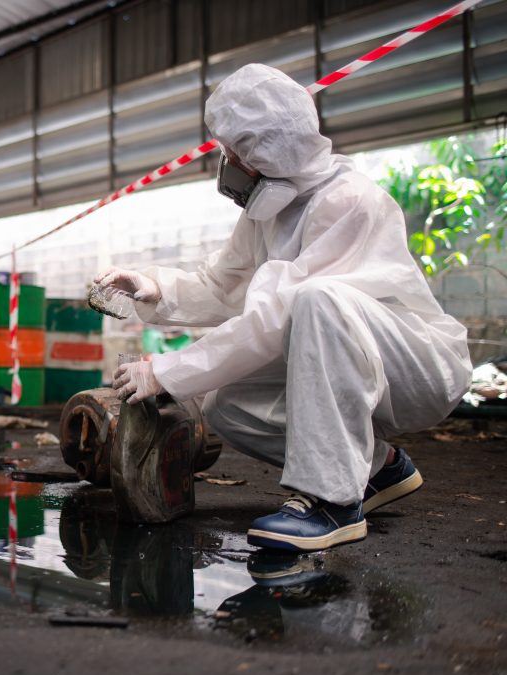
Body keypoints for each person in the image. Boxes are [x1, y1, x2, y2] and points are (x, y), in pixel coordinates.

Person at [98, 64, 471, 552]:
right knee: (229, 405)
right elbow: (227, 283)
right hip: (342, 347)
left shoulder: (348, 201)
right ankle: (381, 468)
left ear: (271, 149)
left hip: (415, 365)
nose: (227, 162)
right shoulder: (269, 208)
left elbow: (275, 316)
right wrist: (154, 288)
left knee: (318, 299)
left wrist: (168, 371)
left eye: (236, 152)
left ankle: (332, 501)